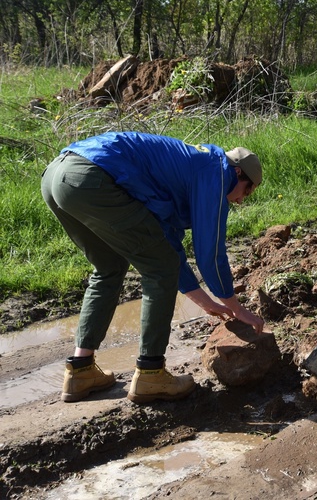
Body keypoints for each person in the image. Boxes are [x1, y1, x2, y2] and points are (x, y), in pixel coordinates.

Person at [41, 132, 266, 403]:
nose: (242, 200)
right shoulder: (216, 172)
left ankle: (80, 372)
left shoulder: (187, 169)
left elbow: (167, 244)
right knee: (158, 270)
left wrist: (204, 301)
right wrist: (237, 308)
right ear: (238, 172)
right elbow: (209, 253)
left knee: (109, 266)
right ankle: (150, 374)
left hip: (57, 175)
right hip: (91, 177)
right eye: (248, 190)